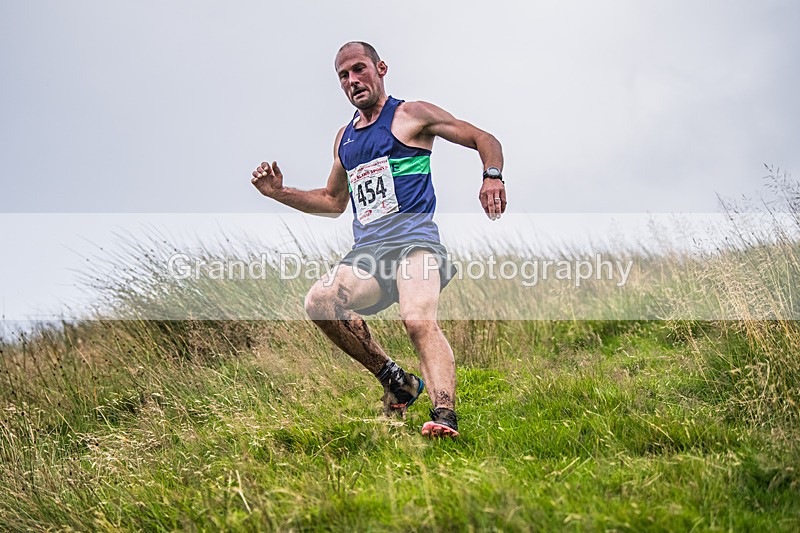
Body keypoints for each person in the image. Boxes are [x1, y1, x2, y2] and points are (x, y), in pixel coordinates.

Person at [251, 41, 505, 438]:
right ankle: (396, 381)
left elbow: (484, 138)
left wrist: (492, 176)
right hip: (368, 254)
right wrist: (279, 193)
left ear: (380, 68)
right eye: (343, 76)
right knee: (319, 302)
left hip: (416, 244)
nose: (352, 80)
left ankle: (444, 416)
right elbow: (333, 201)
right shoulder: (345, 139)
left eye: (359, 69)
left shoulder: (411, 115)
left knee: (417, 319)